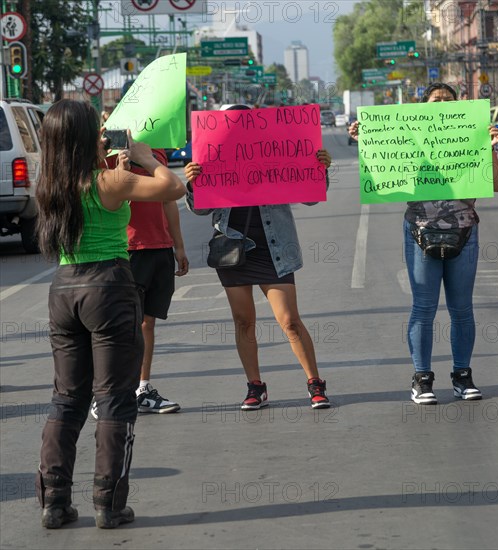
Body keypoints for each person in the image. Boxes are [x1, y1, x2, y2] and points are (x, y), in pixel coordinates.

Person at [35, 99, 186, 529]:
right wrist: (141, 158)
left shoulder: (48, 186)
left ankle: (54, 501)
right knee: (115, 399)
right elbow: (174, 188)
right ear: (82, 138)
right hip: (110, 288)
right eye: (96, 130)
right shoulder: (111, 181)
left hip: (64, 290)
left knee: (66, 399)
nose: (104, 134)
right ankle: (109, 503)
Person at [348, 82, 498, 405]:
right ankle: (422, 379)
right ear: (423, 107)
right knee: (423, 307)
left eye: (449, 99)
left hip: (465, 231)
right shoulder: (411, 136)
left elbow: (497, 184)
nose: (442, 103)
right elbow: (383, 169)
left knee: (462, 309)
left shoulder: (473, 135)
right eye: (436, 100)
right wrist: (368, 139)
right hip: (420, 231)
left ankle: (462, 375)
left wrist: (490, 147)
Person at [184, 104, 332, 410]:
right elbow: (200, 209)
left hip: (273, 247)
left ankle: (314, 383)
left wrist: (320, 169)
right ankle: (255, 387)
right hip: (232, 247)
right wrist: (192, 182)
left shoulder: (274, 150)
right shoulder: (213, 154)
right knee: (243, 320)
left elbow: (312, 197)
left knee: (289, 320)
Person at [91, 149, 189, 416]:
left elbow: (169, 197)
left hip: (159, 247)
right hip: (126, 249)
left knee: (147, 323)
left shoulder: (153, 153)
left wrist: (178, 245)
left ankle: (141, 389)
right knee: (122, 324)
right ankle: (107, 393)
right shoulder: (106, 154)